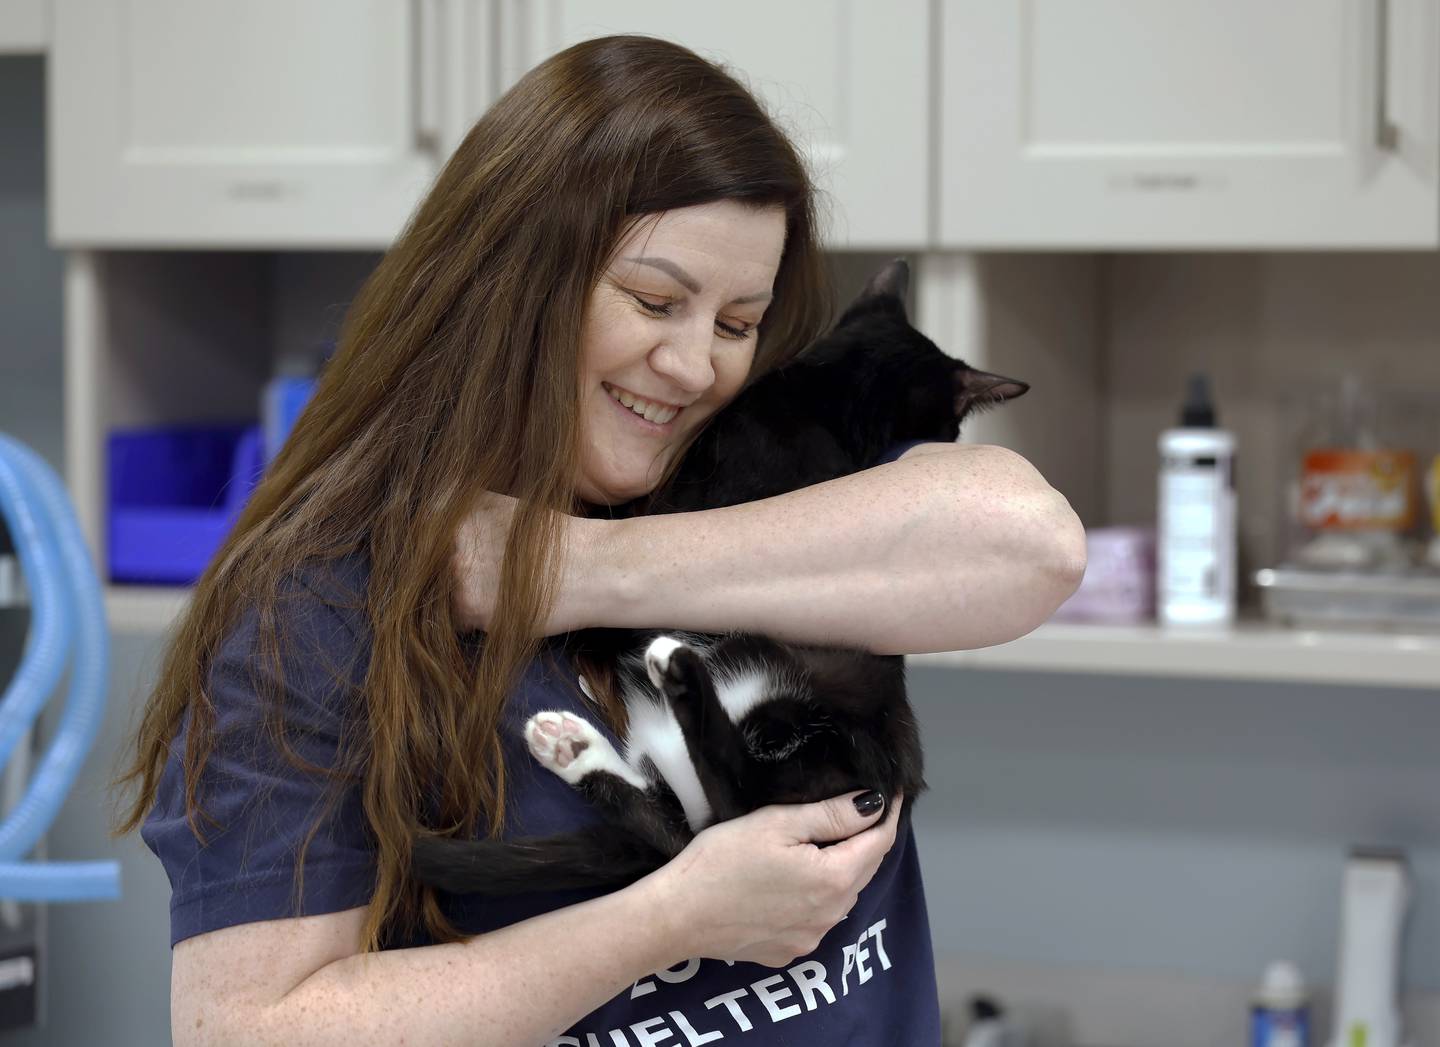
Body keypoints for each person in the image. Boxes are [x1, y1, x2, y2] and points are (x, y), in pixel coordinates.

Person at [113, 35, 1084, 1046]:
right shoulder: (322, 609)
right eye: (655, 301)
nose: (696, 364)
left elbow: (1033, 546)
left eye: (738, 321)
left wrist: (569, 569)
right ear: (514, 283)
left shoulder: (747, 489)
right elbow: (247, 1032)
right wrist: (668, 921)